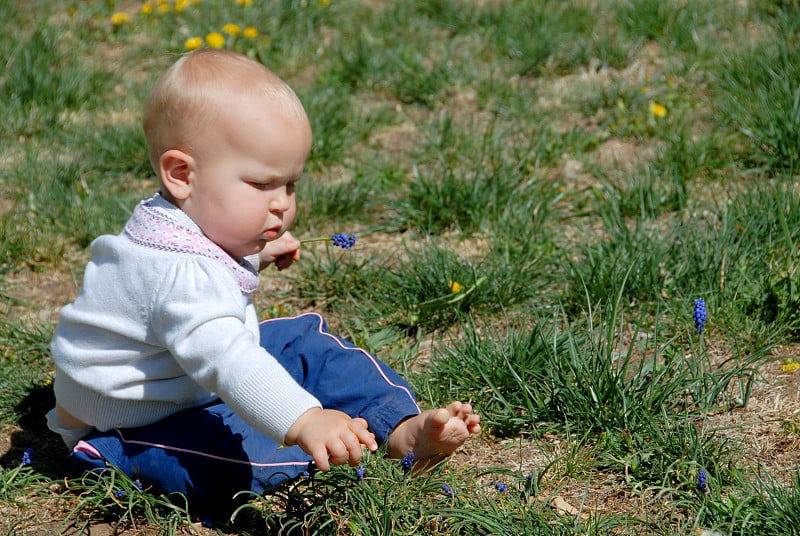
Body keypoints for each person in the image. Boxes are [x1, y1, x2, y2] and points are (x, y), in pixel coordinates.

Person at [46, 49, 480, 514]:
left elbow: (201, 281)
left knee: (301, 341)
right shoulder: (179, 274)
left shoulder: (171, 222)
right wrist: (305, 420)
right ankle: (104, 457)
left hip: (184, 378)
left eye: (289, 185)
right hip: (140, 419)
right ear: (180, 175)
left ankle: (402, 430)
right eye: (260, 185)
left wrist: (254, 253)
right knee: (239, 460)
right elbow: (229, 360)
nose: (281, 204)